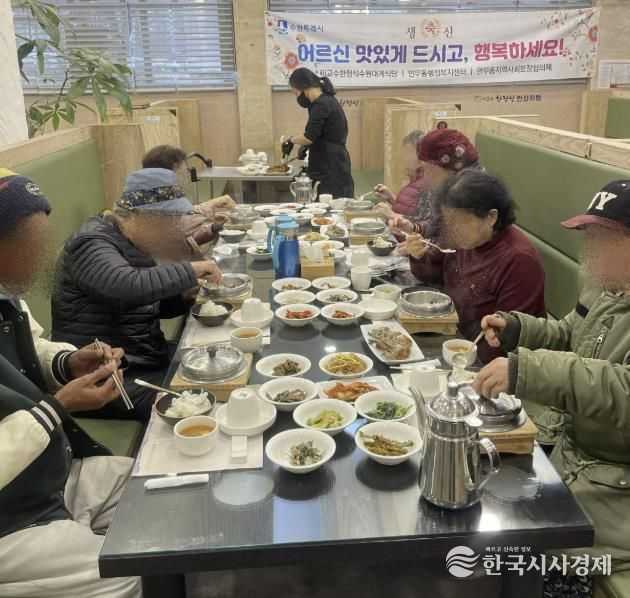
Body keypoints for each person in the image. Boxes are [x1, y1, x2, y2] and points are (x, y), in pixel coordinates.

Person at [474, 180, 630, 592]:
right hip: (572, 460)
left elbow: (621, 390)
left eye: (603, 237)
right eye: (589, 234)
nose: (590, 247)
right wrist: (516, 328)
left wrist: (526, 369)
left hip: (614, 496)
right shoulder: (610, 290)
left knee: (500, 558)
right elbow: (569, 335)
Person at [0, 170, 140, 597]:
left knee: (152, 487)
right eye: (28, 245)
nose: (40, 258)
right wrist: (57, 408)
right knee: (129, 571)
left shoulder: (6, 297)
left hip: (47, 477)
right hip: (9, 521)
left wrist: (68, 362)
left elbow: (31, 348)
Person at [52, 167, 223, 421]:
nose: (176, 228)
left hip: (145, 359)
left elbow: (145, 305)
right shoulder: (90, 242)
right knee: (202, 405)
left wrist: (184, 296)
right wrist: (191, 270)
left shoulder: (135, 243)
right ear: (140, 216)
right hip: (106, 380)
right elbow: (126, 286)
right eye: (170, 220)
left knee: (217, 364)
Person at [407, 171, 546, 362]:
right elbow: (434, 276)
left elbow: (507, 339)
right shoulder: (466, 240)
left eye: (461, 221)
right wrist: (418, 256)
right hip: (455, 336)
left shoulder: (520, 260)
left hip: (486, 359)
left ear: (491, 217)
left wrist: (461, 359)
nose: (453, 229)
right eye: (449, 221)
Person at [389, 128, 481, 238]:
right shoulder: (447, 187)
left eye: (428, 169)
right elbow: (436, 226)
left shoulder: (473, 199)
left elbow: (453, 245)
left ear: (450, 169)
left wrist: (423, 248)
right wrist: (413, 228)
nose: (425, 176)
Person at [283, 67, 354, 198]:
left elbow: (308, 137)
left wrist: (291, 140)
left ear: (304, 88)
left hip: (330, 164)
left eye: (296, 93)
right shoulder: (325, 101)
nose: (297, 97)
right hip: (331, 160)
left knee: (329, 201)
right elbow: (319, 134)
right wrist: (306, 147)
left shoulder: (321, 105)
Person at [141, 144, 236, 220]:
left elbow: (181, 213)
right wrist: (210, 208)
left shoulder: (146, 191)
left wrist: (209, 207)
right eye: (186, 168)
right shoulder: (164, 194)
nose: (188, 172)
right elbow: (181, 223)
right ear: (175, 166)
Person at [372, 130, 429, 218]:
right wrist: (391, 198)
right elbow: (408, 211)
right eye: (404, 153)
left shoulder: (426, 187)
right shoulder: (414, 182)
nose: (404, 158)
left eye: (408, 153)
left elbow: (420, 223)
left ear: (421, 157)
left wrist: (392, 215)